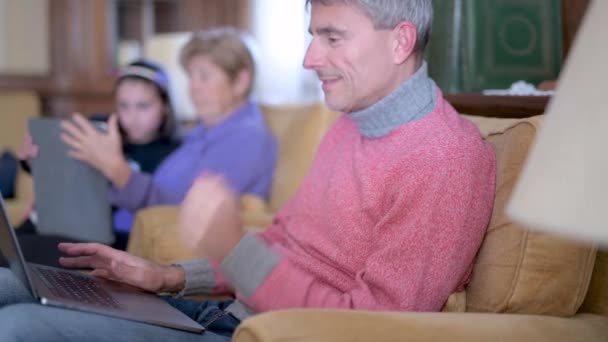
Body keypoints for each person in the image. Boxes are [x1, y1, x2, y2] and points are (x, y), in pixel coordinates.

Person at [0, 1, 496, 341]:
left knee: (17, 326)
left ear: (400, 41)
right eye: (311, 36)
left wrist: (233, 252)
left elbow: (373, 328)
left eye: (332, 37)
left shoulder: (443, 159)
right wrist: (167, 278)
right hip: (221, 313)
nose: (309, 58)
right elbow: (281, 239)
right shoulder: (351, 125)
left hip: (256, 333)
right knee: (10, 287)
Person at [0, 59, 180, 268]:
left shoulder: (173, 154)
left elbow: (162, 207)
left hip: (111, 236)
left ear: (165, 106)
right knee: (8, 246)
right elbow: (66, 168)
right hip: (64, 220)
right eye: (124, 106)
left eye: (143, 106)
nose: (132, 116)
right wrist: (33, 161)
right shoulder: (100, 130)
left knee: (20, 253)